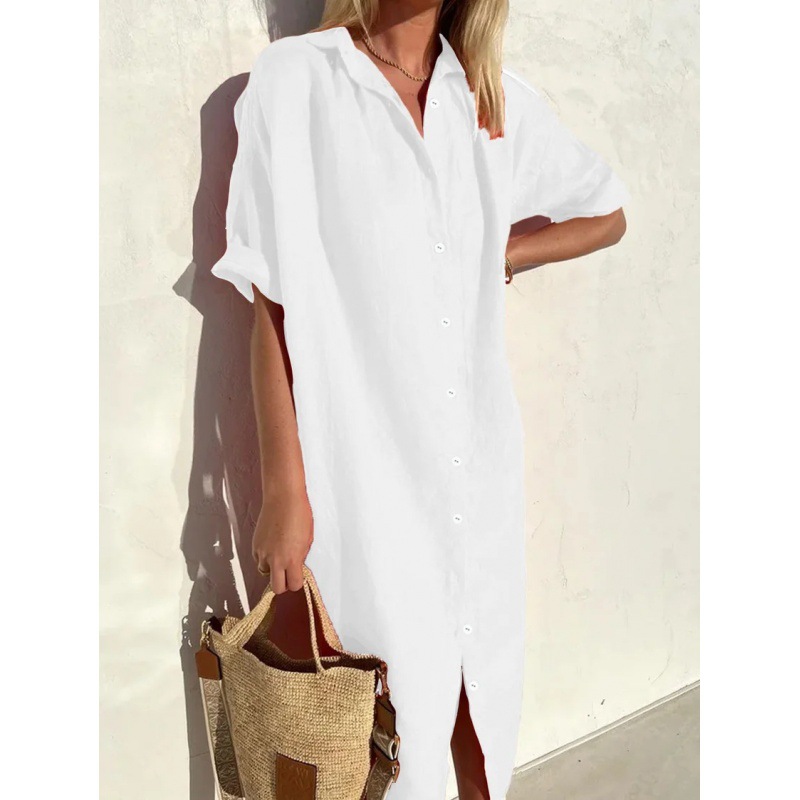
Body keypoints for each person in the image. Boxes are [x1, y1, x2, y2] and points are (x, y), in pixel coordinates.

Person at [210, 1, 629, 797]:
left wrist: (500, 253)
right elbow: (269, 300)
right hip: (362, 481)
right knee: (381, 723)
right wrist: (284, 488)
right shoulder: (296, 82)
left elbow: (607, 214)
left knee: (479, 702)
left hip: (477, 470)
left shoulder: (487, 101)